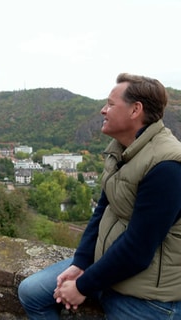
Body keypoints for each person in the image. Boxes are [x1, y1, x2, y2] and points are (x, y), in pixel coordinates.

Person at [18, 73, 181, 319]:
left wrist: (83, 286)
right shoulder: (121, 151)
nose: (103, 110)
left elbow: (138, 250)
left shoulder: (166, 166)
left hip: (148, 295)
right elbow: (103, 211)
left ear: (135, 110)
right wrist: (80, 263)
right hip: (107, 269)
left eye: (111, 104)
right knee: (30, 292)